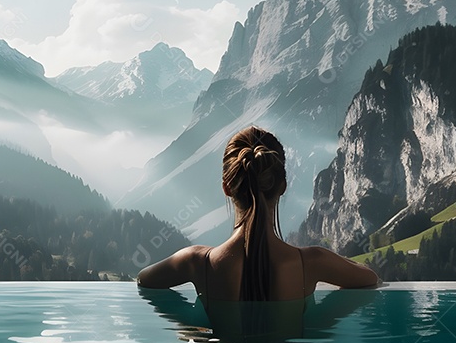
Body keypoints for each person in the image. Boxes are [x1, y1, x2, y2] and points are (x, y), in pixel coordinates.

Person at [137, 125, 380, 304]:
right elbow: (368, 277)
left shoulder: (195, 262)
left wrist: (191, 326)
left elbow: (144, 279)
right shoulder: (312, 263)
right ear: (282, 186)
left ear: (226, 187)